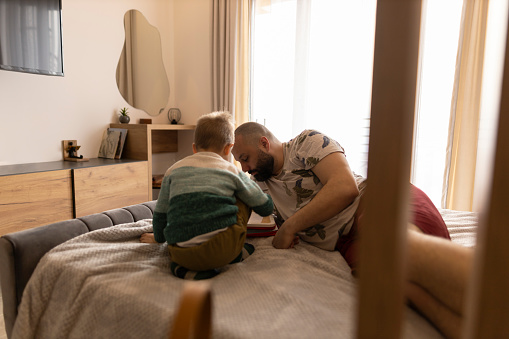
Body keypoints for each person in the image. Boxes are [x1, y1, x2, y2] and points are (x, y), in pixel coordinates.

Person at [232, 122, 471, 339]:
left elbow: (345, 188)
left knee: (397, 249)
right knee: (401, 289)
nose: (244, 168)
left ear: (264, 143)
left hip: (377, 203)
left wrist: (291, 226)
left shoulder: (305, 143)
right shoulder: (260, 185)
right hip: (348, 242)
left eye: (245, 158)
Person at [141, 112, 273, 280]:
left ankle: (184, 269)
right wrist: (268, 201)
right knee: (243, 194)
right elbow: (264, 208)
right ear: (228, 148)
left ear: (194, 147)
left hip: (179, 252)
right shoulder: (231, 170)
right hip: (222, 251)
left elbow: (160, 214)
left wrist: (159, 238)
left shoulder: (172, 171)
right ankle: (236, 255)